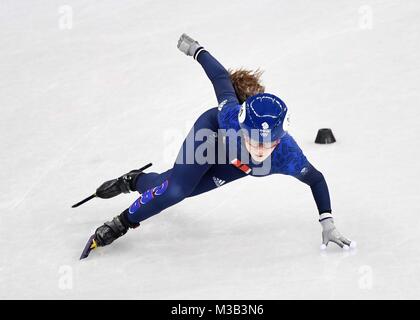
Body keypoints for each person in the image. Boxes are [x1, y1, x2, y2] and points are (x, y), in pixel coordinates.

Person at [80, 34, 353, 259]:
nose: (260, 148)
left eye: (268, 143)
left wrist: (327, 221)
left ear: (280, 140)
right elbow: (221, 78)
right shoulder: (229, 118)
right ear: (242, 128)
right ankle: (120, 224)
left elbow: (316, 179)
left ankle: (133, 180)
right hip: (209, 136)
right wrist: (196, 50)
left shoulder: (288, 155)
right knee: (176, 189)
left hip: (235, 163)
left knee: (172, 187)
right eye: (253, 140)